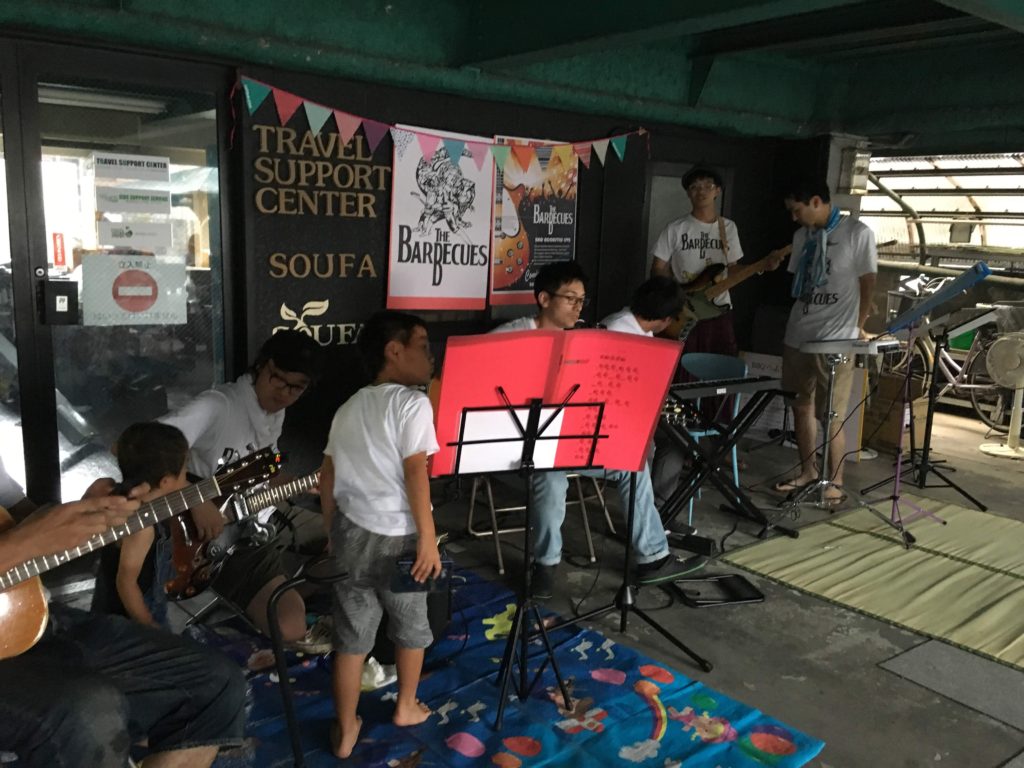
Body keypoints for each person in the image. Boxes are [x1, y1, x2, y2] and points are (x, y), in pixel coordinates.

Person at [0, 486, 246, 767]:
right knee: (89, 710)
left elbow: (18, 515)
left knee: (215, 680)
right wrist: (22, 543)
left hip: (28, 618)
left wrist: (78, 518)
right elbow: (24, 540)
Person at [494, 261, 691, 600]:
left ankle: (653, 557)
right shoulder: (512, 335)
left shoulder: (583, 339)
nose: (578, 308)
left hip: (569, 440)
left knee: (632, 464)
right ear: (544, 299)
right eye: (570, 299)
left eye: (581, 300)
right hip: (522, 444)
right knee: (550, 479)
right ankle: (544, 564)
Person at [320, 310, 441, 759]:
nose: (430, 356)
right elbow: (416, 471)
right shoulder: (412, 404)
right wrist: (427, 538)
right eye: (422, 345)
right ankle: (405, 705)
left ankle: (346, 725)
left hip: (350, 533)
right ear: (394, 351)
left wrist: (332, 530)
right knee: (410, 625)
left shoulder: (348, 407)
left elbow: (327, 475)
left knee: (351, 635)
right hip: (399, 539)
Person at [159, 329, 324, 644]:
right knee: (289, 628)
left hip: (259, 518)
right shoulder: (218, 406)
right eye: (278, 379)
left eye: (297, 387)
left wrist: (302, 484)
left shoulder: (274, 415)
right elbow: (140, 448)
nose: (285, 393)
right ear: (261, 366)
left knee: (346, 539)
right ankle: (258, 604)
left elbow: (261, 475)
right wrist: (195, 498)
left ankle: (265, 600)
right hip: (214, 536)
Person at [771, 179, 877, 505]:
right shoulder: (802, 236)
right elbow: (801, 283)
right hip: (799, 333)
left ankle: (835, 481)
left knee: (830, 413)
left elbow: (869, 283)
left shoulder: (857, 233)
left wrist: (858, 327)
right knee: (800, 406)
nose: (794, 217)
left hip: (835, 338)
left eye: (797, 210)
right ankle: (808, 471)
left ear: (816, 201)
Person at [89, 422, 191, 629]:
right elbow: (125, 583)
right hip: (128, 616)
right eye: (184, 469)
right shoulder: (141, 525)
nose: (187, 473)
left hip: (109, 599)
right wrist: (150, 626)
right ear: (165, 482)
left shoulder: (121, 497)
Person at [650, 166, 743, 355]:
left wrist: (759, 267)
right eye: (694, 187)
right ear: (688, 193)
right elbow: (658, 268)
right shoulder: (675, 229)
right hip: (686, 311)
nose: (701, 191)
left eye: (708, 186)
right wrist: (675, 294)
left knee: (720, 363)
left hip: (718, 309)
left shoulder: (728, 228)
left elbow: (733, 268)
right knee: (684, 361)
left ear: (718, 191)